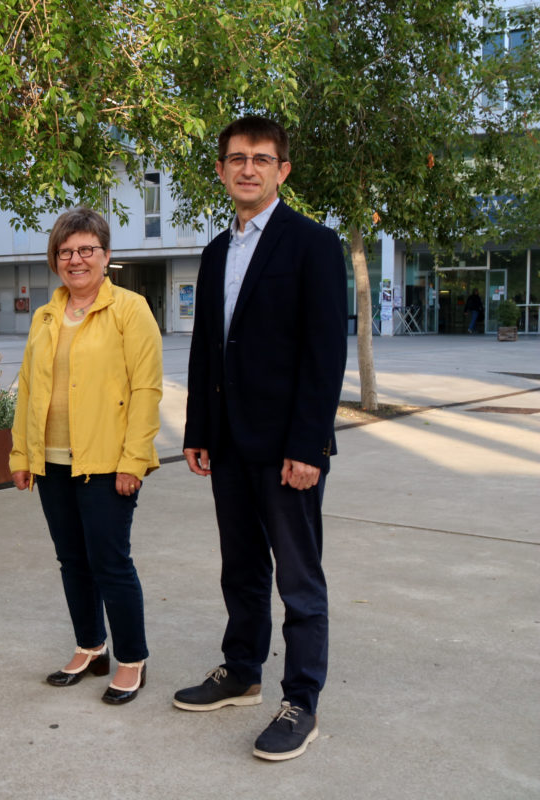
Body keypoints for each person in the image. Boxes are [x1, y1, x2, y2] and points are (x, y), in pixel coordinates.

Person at [178, 116, 347, 761]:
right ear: (221, 170)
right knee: (240, 569)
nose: (248, 168)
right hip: (228, 446)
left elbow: (324, 354)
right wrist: (198, 430)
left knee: (299, 582)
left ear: (283, 171)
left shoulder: (313, 245)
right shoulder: (217, 250)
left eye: (262, 158)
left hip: (288, 452)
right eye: (237, 158)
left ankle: (299, 699)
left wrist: (309, 447)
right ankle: (241, 669)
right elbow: (206, 349)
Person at [9, 207, 163, 706]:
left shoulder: (130, 309)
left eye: (86, 250)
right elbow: (28, 388)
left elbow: (146, 388)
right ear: (55, 259)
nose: (76, 260)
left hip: (105, 461)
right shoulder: (46, 314)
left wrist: (133, 459)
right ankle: (90, 646)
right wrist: (21, 453)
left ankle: (131, 658)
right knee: (72, 560)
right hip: (51, 461)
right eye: (66, 251)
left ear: (105, 255)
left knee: (110, 561)